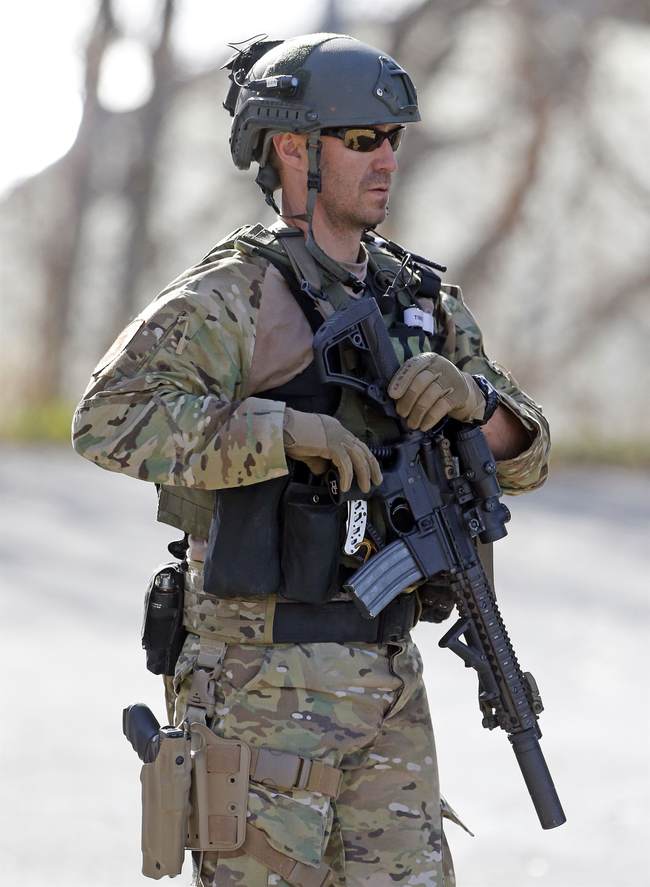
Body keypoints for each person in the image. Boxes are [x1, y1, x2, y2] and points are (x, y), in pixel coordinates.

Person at [72, 33, 550, 887]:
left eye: (393, 138)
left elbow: (529, 455)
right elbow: (106, 419)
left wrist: (474, 402)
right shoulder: (235, 297)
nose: (388, 158)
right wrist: (279, 432)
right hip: (258, 691)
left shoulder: (419, 303)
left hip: (387, 689)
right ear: (294, 149)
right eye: (363, 138)